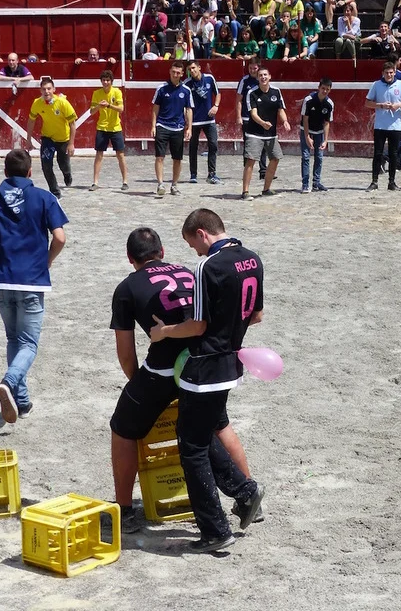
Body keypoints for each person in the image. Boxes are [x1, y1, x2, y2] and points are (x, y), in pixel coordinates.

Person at [109, 226, 255, 534]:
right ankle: (249, 496)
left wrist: (139, 386)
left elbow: (125, 352)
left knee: (122, 427)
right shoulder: (189, 271)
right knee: (219, 424)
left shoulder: (127, 288)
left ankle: (123, 510)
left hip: (164, 370)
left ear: (130, 258)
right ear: (162, 252)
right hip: (202, 364)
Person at [149, 209, 267, 553]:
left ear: (202, 233)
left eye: (193, 244)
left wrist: (164, 332)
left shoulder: (208, 266)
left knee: (191, 446)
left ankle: (216, 530)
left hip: (204, 367)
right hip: (231, 361)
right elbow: (256, 316)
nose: (195, 251)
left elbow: (197, 325)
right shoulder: (252, 258)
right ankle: (245, 492)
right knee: (200, 432)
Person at [0, 149, 68, 424]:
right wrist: (47, 260)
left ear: (5, 172)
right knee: (28, 343)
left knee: (13, 339)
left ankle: (23, 401)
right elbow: (60, 238)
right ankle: (9, 381)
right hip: (31, 280)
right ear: (30, 172)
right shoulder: (44, 197)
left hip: (0, 278)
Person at [364, 61, 401, 192]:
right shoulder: (376, 85)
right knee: (377, 153)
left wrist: (399, 105)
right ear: (382, 73)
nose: (389, 75)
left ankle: (392, 182)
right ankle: (374, 181)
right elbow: (367, 103)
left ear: (395, 72)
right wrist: (381, 105)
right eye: (386, 73)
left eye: (391, 72)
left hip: (396, 125)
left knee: (393, 154)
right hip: (380, 125)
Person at [28, 79, 78, 199]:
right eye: (44, 89)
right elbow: (31, 120)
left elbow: (72, 123)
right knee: (46, 165)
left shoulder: (62, 102)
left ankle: (67, 174)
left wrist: (71, 143)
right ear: (40, 90)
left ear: (54, 89)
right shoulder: (37, 103)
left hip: (63, 139)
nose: (46, 91)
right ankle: (55, 192)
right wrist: (28, 139)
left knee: (63, 164)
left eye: (49, 89)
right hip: (47, 138)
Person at [244, 67, 289, 200]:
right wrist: (262, 123)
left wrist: (285, 121)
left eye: (265, 75)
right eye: (260, 75)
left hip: (271, 133)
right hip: (254, 133)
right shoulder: (252, 93)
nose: (263, 77)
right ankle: (245, 192)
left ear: (269, 76)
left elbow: (280, 109)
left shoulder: (276, 91)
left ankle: (266, 189)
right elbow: (253, 113)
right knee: (251, 160)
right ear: (257, 78)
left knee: (275, 158)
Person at [151, 61, 194, 197]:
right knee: (159, 157)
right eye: (173, 72)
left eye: (178, 73)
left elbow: (189, 109)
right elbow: (155, 108)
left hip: (178, 128)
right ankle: (160, 184)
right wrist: (153, 125)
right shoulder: (161, 89)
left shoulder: (186, 90)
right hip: (162, 125)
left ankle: (174, 185)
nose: (175, 75)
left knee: (177, 158)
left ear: (182, 74)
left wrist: (189, 128)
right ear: (170, 72)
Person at [89, 70, 129, 191]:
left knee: (120, 154)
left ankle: (125, 181)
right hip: (102, 127)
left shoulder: (117, 92)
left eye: (108, 80)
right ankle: (95, 182)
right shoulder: (97, 93)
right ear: (101, 81)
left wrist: (109, 105)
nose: (106, 82)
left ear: (111, 81)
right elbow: (91, 111)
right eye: (104, 80)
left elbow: (121, 109)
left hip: (115, 127)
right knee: (99, 154)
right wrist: (99, 106)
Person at [186, 60, 221, 184]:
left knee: (213, 144)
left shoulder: (209, 78)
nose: (192, 71)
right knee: (193, 147)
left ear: (199, 67)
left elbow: (218, 93)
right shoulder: (187, 83)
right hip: (194, 120)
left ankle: (212, 173)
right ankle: (193, 174)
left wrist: (216, 106)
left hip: (209, 119)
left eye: (193, 68)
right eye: (189, 69)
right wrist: (187, 122)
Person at [300, 78, 334, 194]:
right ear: (318, 88)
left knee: (319, 157)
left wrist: (326, 140)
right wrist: (307, 136)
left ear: (330, 90)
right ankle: (305, 184)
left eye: (327, 89)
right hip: (306, 130)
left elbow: (327, 123)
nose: (325, 91)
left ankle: (316, 183)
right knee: (306, 156)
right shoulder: (308, 100)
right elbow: (305, 119)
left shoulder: (329, 104)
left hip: (319, 132)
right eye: (323, 88)